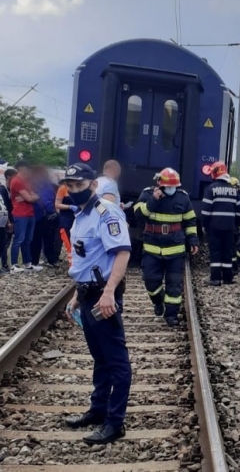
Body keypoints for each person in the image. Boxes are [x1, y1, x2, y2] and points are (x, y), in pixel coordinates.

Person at [62, 163, 132, 445]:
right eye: (70, 185)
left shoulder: (106, 212)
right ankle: (98, 410)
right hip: (89, 294)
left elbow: (122, 253)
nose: (74, 190)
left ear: (93, 185)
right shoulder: (81, 215)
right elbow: (88, 260)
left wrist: (109, 293)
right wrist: (77, 295)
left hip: (104, 295)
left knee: (117, 361)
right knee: (100, 358)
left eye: (79, 185)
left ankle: (115, 423)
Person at [134, 168, 199, 326]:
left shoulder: (183, 198)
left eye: (173, 186)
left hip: (175, 249)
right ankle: (158, 301)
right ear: (159, 184)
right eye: (168, 186)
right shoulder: (148, 194)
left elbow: (190, 221)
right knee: (151, 281)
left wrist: (193, 240)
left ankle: (171, 315)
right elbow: (139, 214)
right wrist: (153, 200)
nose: (171, 189)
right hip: (152, 248)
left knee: (174, 284)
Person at [202, 161, 240, 286]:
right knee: (227, 252)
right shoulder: (234, 191)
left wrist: (205, 225)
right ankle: (228, 278)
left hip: (214, 227)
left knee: (215, 252)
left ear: (215, 173)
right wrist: (236, 226)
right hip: (229, 227)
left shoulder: (211, 189)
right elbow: (239, 212)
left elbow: (206, 210)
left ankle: (215, 278)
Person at [9, 160, 41, 273]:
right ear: (22, 168)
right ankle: (14, 265)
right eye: (27, 168)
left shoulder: (27, 182)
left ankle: (27, 263)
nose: (29, 170)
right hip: (20, 214)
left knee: (28, 240)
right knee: (19, 239)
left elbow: (36, 196)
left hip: (29, 213)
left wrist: (28, 197)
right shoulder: (17, 181)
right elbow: (30, 198)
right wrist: (29, 197)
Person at [30, 165, 59, 268]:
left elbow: (55, 199)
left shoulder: (50, 186)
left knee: (49, 239)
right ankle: (35, 261)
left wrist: (55, 212)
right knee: (37, 240)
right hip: (38, 215)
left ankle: (49, 259)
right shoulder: (32, 185)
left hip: (48, 215)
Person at [55, 180, 77, 266]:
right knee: (67, 241)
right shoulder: (63, 189)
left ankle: (77, 261)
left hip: (77, 218)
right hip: (66, 218)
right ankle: (71, 264)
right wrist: (69, 207)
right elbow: (57, 204)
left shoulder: (78, 189)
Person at [0, 169, 14, 274]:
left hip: (3, 220)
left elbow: (4, 207)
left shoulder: (2, 190)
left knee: (3, 244)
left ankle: (4, 265)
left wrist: (8, 221)